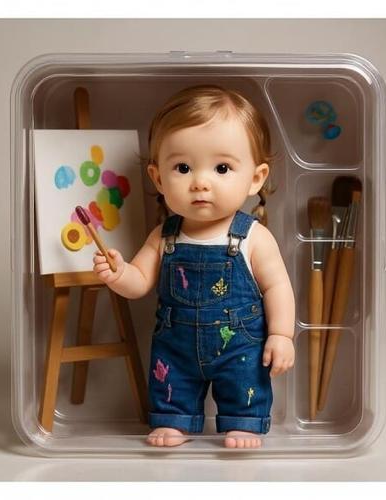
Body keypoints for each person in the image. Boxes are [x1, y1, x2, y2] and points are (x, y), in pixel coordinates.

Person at [93, 85, 295, 448]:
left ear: (255, 178)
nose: (200, 182)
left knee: (245, 382)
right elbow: (140, 282)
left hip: (239, 345)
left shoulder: (253, 237)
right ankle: (175, 420)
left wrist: (281, 335)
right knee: (170, 382)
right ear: (158, 178)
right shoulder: (164, 234)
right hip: (177, 346)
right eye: (183, 168)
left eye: (222, 168)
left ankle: (243, 422)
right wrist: (119, 274)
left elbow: (277, 287)